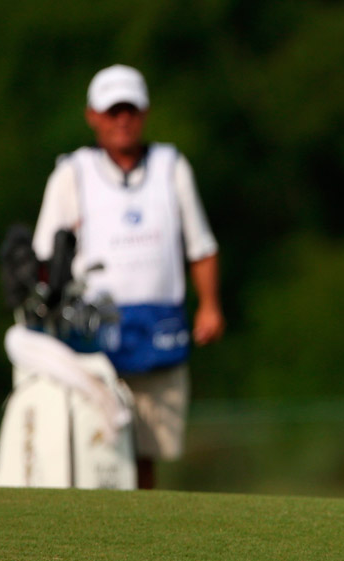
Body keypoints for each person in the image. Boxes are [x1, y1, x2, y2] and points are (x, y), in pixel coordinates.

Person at [32, 64, 225, 489]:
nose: (122, 120)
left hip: (160, 329)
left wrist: (209, 305)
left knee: (147, 450)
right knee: (94, 443)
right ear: (93, 116)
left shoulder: (171, 167)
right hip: (90, 333)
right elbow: (45, 256)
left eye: (130, 110)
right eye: (112, 110)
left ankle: (140, 534)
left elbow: (201, 247)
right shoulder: (73, 173)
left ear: (144, 113)